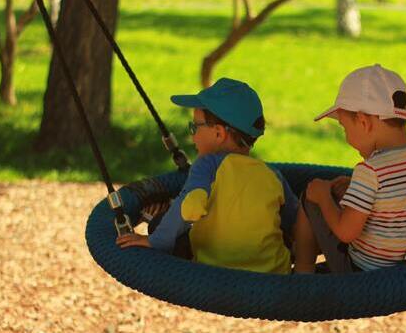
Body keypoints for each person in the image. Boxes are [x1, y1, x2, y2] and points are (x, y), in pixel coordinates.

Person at [117, 77, 299, 275]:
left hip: (214, 270)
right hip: (271, 274)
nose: (192, 135)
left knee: (161, 224)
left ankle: (160, 212)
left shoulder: (207, 165)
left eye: (195, 126)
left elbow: (191, 206)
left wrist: (155, 241)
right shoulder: (273, 176)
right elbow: (296, 224)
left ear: (219, 134)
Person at [293, 64, 406, 273]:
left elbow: (346, 233)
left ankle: (302, 274)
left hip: (363, 272)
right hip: (405, 263)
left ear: (363, 121)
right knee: (335, 197)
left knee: (311, 194)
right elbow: (399, 194)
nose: (346, 136)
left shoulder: (370, 171)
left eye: (344, 127)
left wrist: (323, 196)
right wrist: (356, 188)